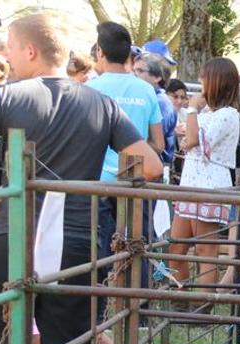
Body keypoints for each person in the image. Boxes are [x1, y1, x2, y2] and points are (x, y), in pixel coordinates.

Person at [0, 11, 160, 344]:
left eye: (12, 49)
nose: (8, 58)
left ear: (30, 51)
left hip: (14, 231)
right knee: (66, 342)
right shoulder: (101, 104)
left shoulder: (7, 96)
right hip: (77, 235)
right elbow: (150, 165)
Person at [87, 22, 162, 255]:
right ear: (129, 54)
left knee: (100, 251)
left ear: (100, 51)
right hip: (137, 180)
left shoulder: (90, 89)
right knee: (138, 248)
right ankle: (139, 290)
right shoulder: (146, 90)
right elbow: (159, 144)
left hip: (99, 182)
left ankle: (100, 290)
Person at [172, 57, 239, 287]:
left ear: (216, 81)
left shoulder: (228, 114)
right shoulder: (207, 113)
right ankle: (180, 300)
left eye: (204, 77)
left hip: (210, 185)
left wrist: (191, 109)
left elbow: (191, 140)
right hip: (190, 182)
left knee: (205, 248)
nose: (200, 81)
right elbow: (188, 143)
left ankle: (202, 304)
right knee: (177, 246)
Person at [133, 51, 175, 166]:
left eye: (140, 71)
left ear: (157, 77)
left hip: (153, 166)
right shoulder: (147, 97)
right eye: (134, 70)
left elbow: (156, 144)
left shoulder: (161, 103)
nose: (134, 74)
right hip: (137, 162)